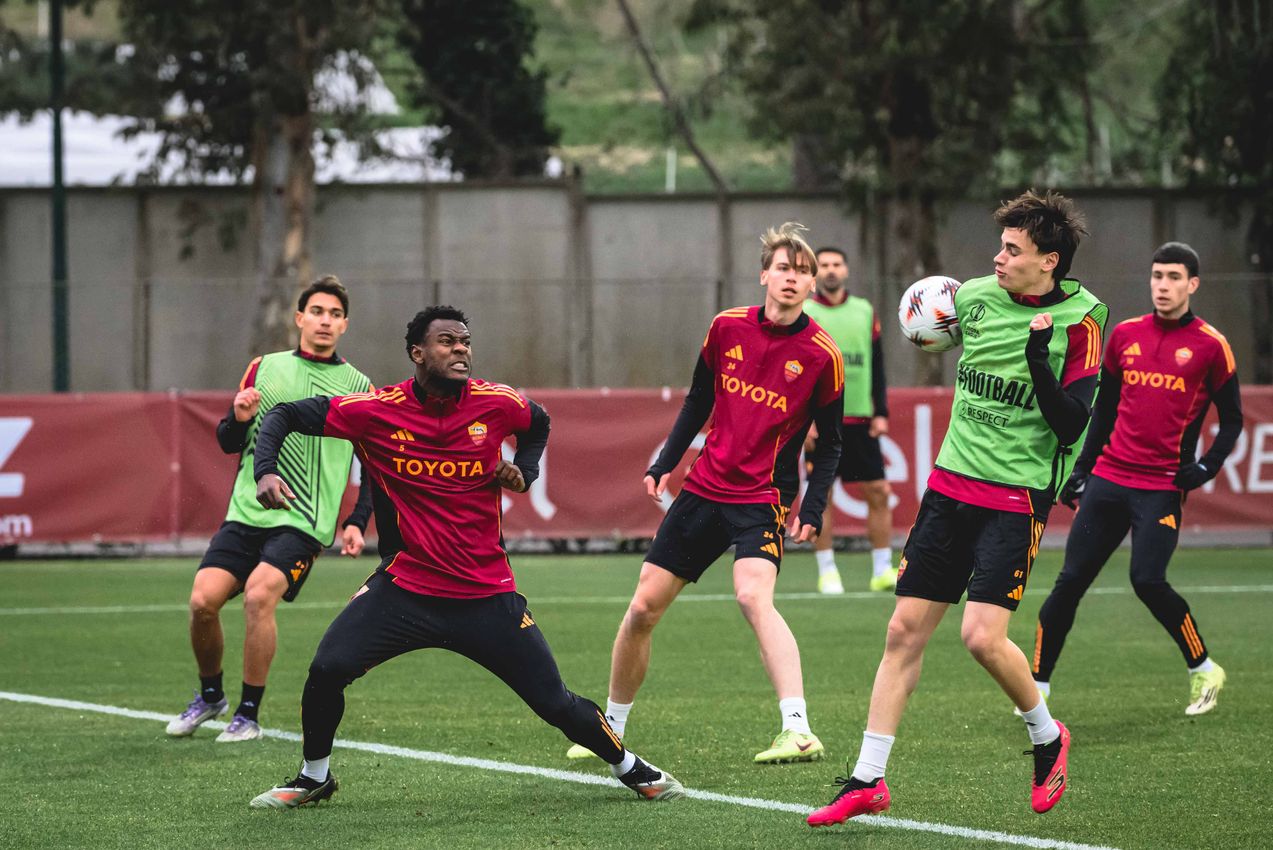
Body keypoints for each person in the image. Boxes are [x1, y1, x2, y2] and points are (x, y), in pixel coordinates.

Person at [248, 306, 683, 808]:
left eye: (465, 342)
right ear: (417, 353)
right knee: (326, 670)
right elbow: (282, 415)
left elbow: (537, 423)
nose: (461, 350)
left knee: (554, 702)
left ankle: (631, 768)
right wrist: (265, 471)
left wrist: (525, 469)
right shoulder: (376, 410)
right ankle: (313, 777)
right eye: (447, 341)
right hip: (405, 589)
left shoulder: (495, 402)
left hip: (486, 595)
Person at [807, 190, 1107, 827]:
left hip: (1016, 497)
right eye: (999, 246)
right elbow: (933, 329)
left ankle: (1047, 736)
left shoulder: (1082, 321)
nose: (997, 258)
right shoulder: (970, 297)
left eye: (1013, 250)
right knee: (901, 632)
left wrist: (1036, 361)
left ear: (1050, 260)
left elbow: (1074, 421)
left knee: (980, 637)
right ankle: (867, 779)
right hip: (949, 488)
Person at [567, 222, 845, 766]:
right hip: (703, 488)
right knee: (643, 609)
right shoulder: (725, 328)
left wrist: (813, 506)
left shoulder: (821, 355)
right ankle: (610, 729)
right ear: (764, 274)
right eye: (784, 267)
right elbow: (698, 399)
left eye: (803, 271)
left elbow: (831, 443)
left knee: (751, 596)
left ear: (813, 286)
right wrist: (664, 462)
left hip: (762, 496)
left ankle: (798, 729)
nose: (792, 278)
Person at [1032, 242, 1242, 716]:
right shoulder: (1124, 335)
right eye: (1156, 276)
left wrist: (1206, 467)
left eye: (1173, 277)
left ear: (1192, 284)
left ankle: (1204, 668)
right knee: (1068, 584)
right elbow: (1103, 410)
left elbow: (1232, 420)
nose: (1162, 286)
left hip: (1161, 485)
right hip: (1109, 478)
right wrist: (1082, 468)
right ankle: (1038, 688)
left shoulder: (1211, 345)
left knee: (1147, 580)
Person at [165, 276, 373, 742]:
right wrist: (237, 419)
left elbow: (371, 464)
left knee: (260, 596)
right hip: (247, 511)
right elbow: (227, 442)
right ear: (299, 318)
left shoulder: (358, 386)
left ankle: (248, 715)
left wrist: (357, 521)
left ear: (344, 326)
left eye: (335, 314)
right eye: (317, 311)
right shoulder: (263, 367)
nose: (325, 320)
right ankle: (211, 695)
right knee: (202, 602)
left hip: (305, 520)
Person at [803, 247, 897, 594]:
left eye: (836, 264)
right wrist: (805, 421)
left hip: (861, 419)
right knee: (820, 496)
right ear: (816, 273)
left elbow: (877, 363)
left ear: (845, 270)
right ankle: (828, 572)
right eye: (823, 265)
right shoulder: (806, 312)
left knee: (878, 492)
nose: (830, 270)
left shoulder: (864, 310)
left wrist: (882, 411)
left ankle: (882, 570)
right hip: (822, 422)